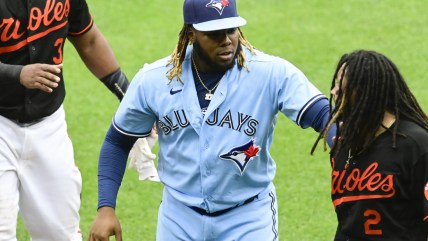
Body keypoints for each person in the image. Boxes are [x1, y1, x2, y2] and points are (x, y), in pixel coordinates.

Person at [88, 0, 333, 240]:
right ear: (192, 34)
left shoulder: (270, 73)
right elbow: (118, 141)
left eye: (231, 30)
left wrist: (342, 136)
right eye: (214, 33)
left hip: (249, 216)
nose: (226, 40)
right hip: (180, 217)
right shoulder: (154, 81)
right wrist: (106, 208)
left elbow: (321, 114)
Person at [0, 0, 129, 240]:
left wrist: (126, 93)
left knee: (60, 234)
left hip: (49, 126)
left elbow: (87, 39)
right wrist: (17, 74)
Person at [312, 50, 428, 240]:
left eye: (341, 88)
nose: (333, 92)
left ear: (366, 93)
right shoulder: (345, 145)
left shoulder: (416, 146)